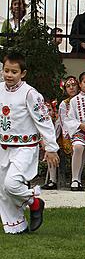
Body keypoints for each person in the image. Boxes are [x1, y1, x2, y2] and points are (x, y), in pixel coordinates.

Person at [0, 52, 59, 234]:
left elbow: (44, 120)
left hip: (25, 147)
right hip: (3, 146)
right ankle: (16, 226)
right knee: (3, 189)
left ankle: (34, 202)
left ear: (23, 73)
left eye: (14, 72)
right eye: (6, 71)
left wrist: (50, 147)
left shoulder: (30, 94)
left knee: (12, 184)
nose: (9, 75)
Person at [65, 69, 85, 191]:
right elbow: (69, 119)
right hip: (80, 130)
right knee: (78, 147)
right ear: (80, 83)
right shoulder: (74, 100)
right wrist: (80, 125)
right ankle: (75, 179)